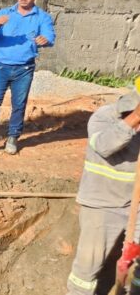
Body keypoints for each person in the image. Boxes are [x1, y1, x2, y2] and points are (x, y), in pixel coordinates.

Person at [67, 79, 140, 295]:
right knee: (86, 270)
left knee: (135, 269)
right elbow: (104, 146)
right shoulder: (105, 116)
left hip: (136, 206)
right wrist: (134, 119)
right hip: (102, 205)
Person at [0, 0, 55, 155]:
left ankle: (12, 139)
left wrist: (45, 40)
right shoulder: (4, 13)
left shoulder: (42, 17)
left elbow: (49, 36)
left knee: (19, 106)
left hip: (24, 69)